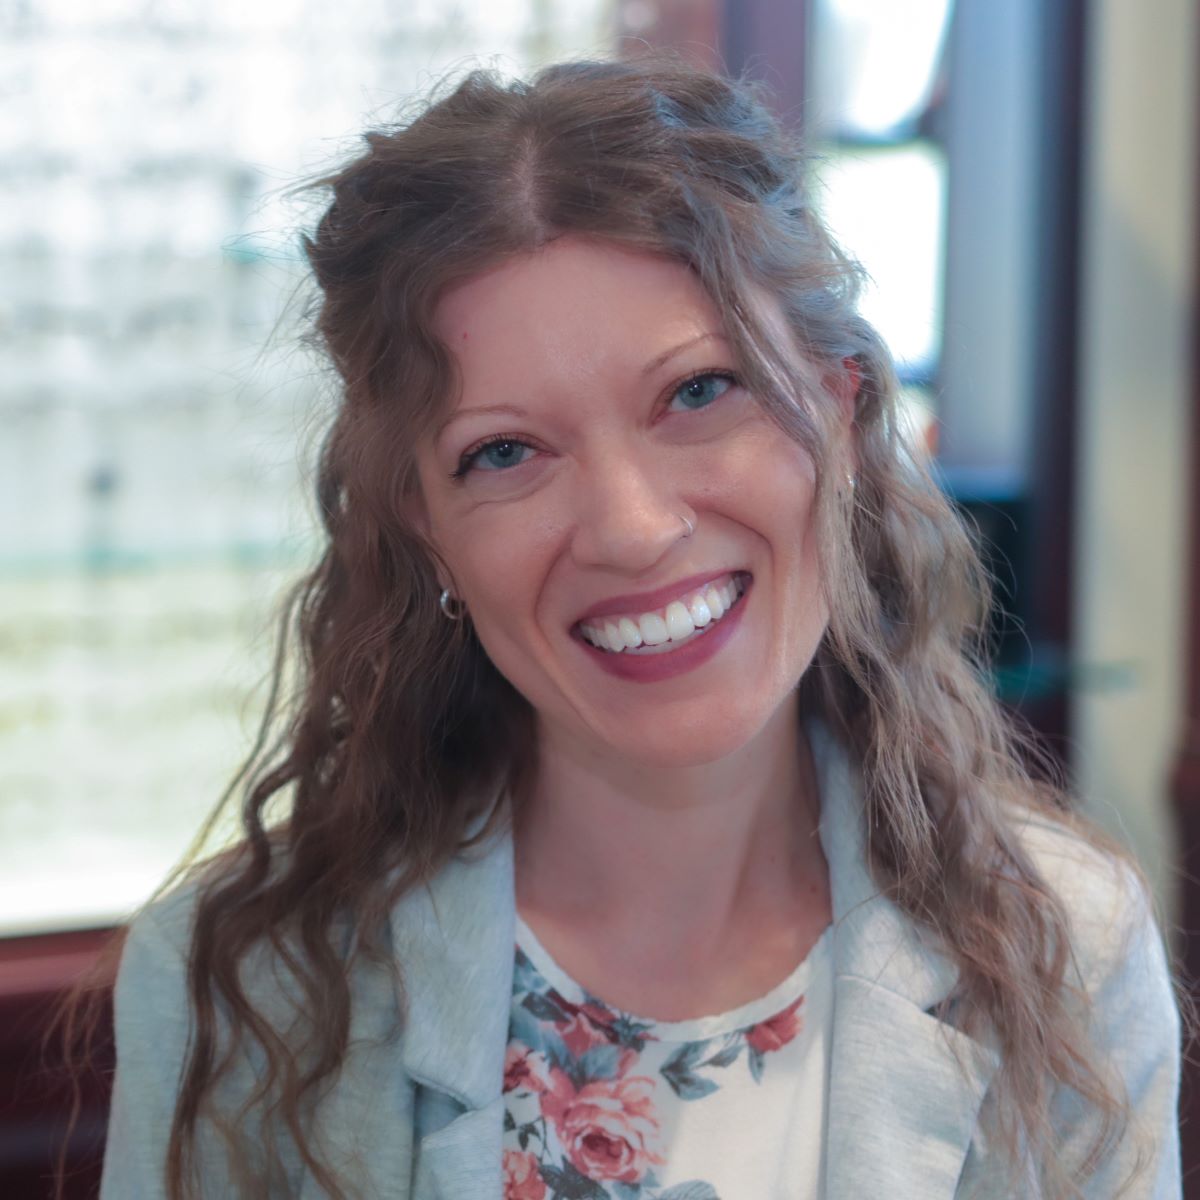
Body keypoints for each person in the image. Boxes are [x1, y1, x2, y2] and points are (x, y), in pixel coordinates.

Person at [96, 59, 1182, 1199]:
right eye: (504, 452)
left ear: (841, 406)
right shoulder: (244, 988)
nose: (632, 527)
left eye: (700, 393)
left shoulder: (1065, 949)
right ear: (427, 531)